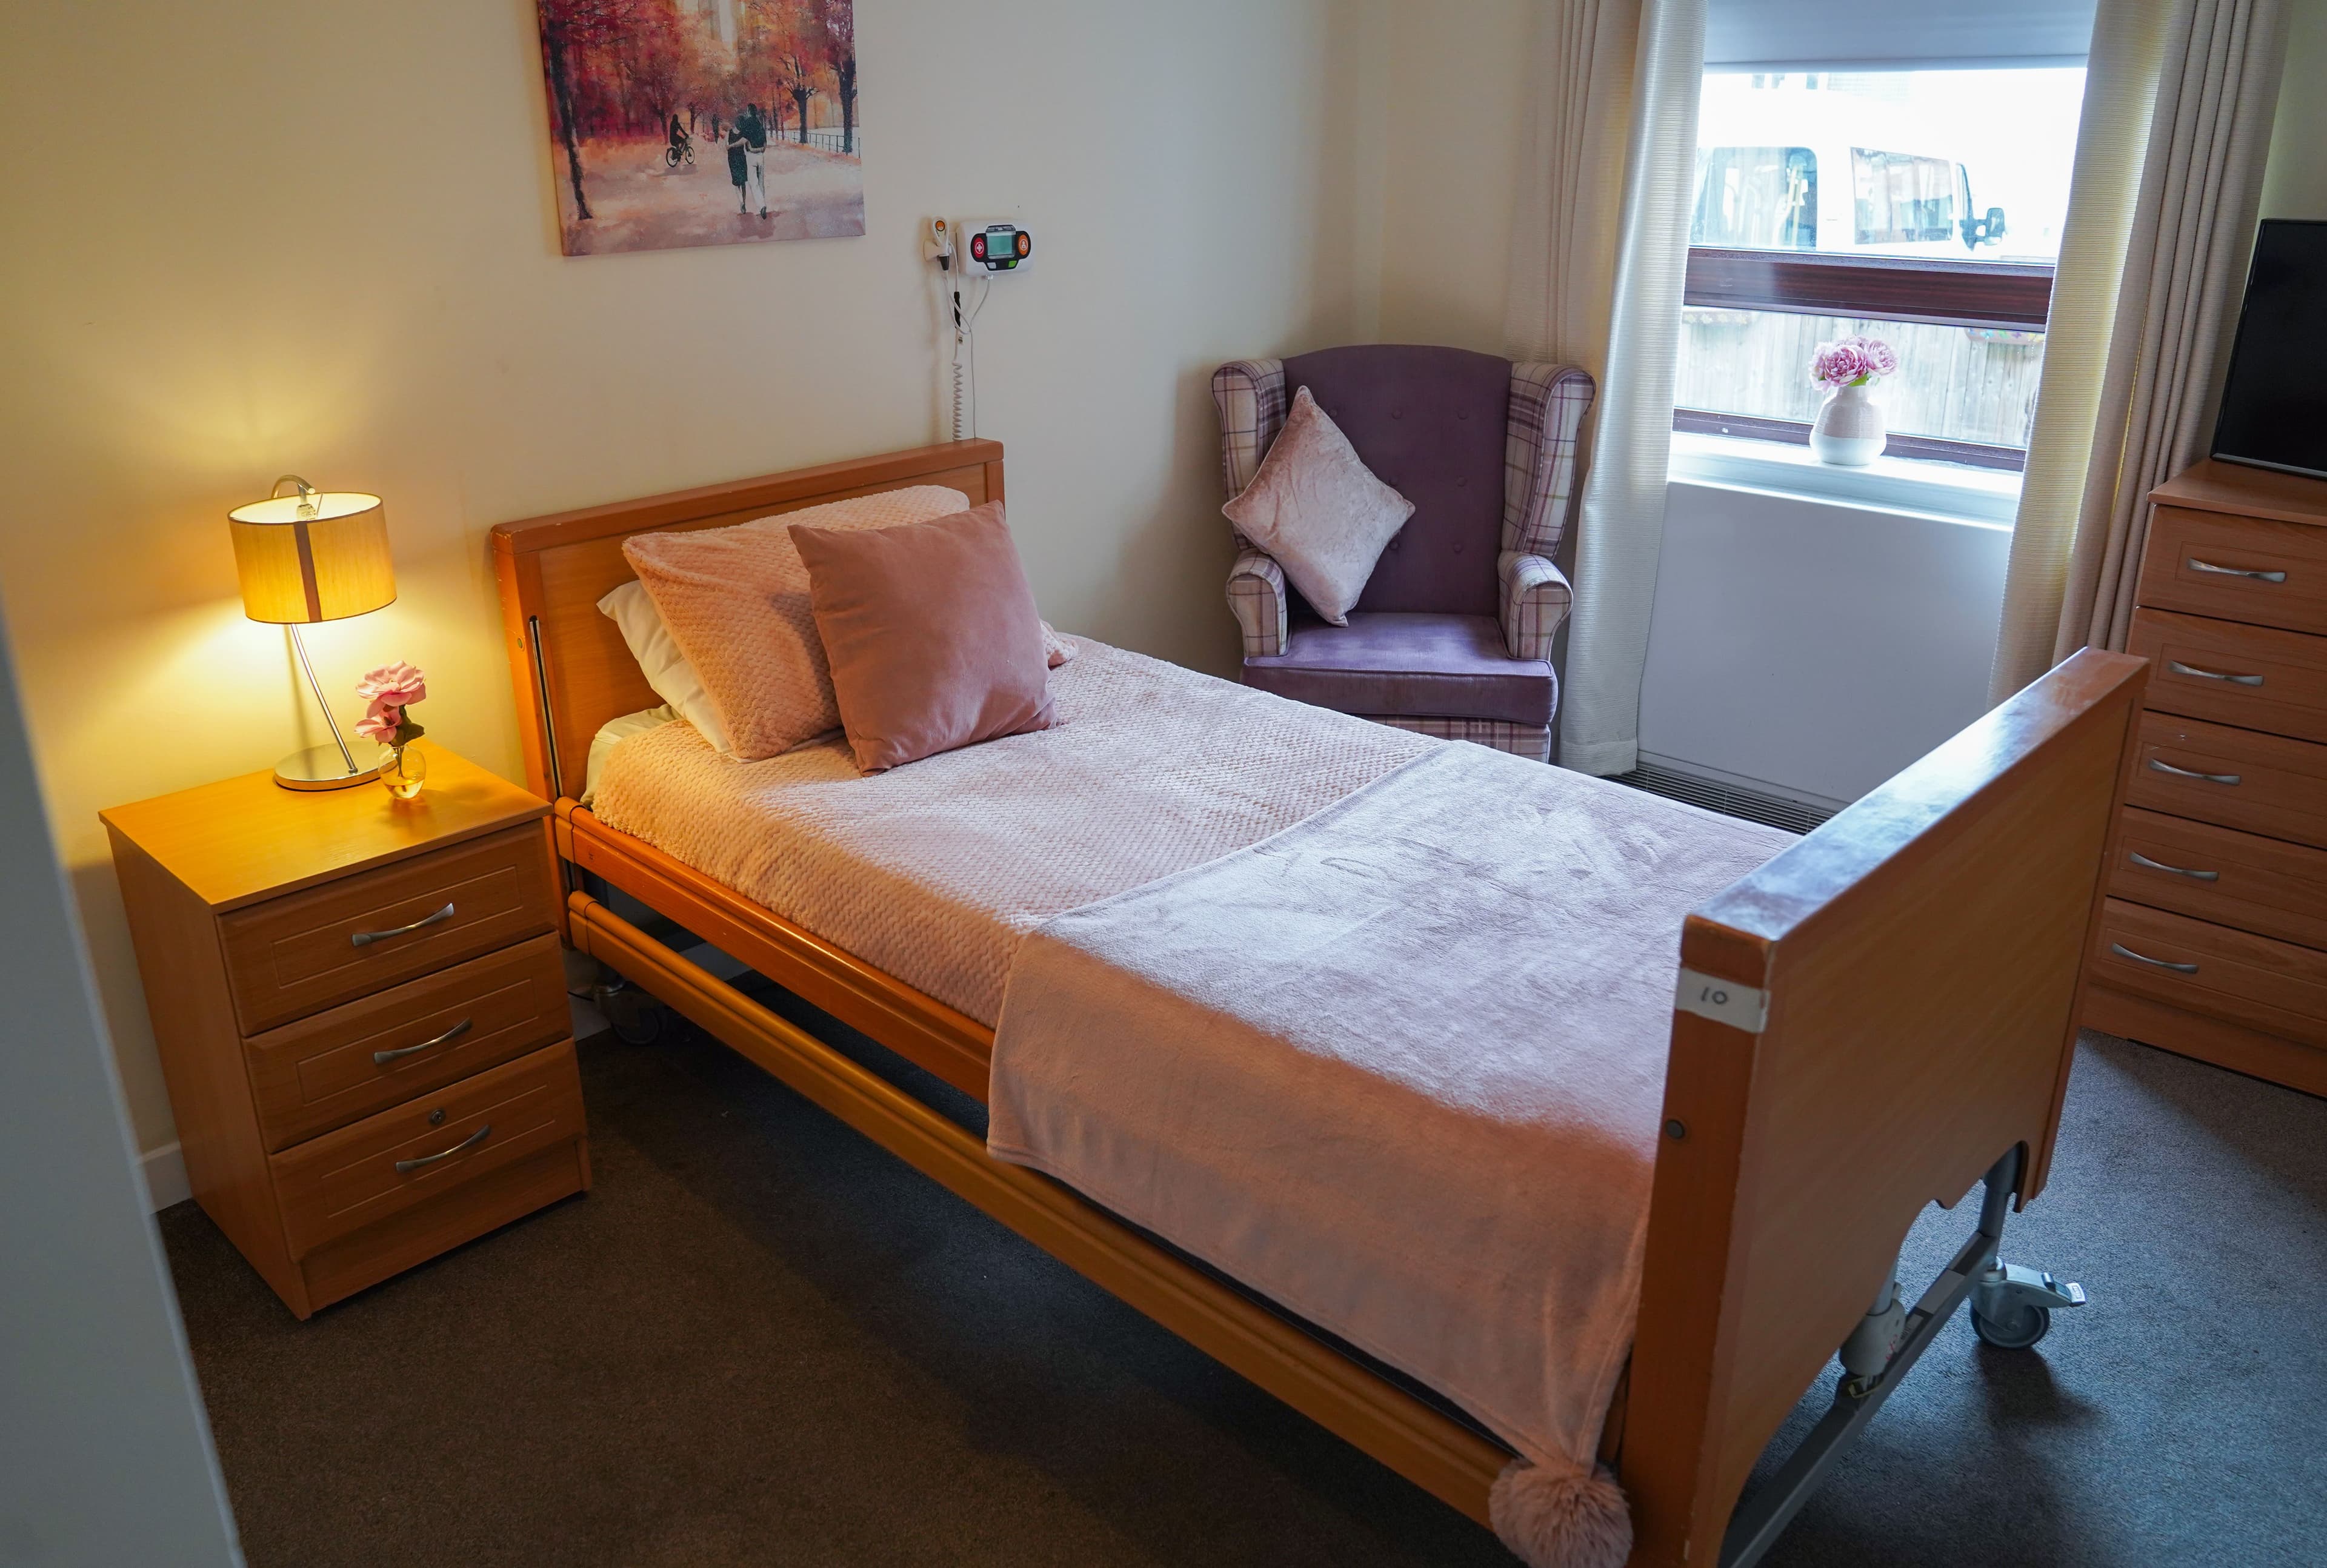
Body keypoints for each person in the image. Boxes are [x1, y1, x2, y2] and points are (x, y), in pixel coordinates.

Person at [740, 103, 769, 219]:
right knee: (761, 182)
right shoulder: (759, 124)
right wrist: (761, 149)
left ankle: (762, 205)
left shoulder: (746, 124)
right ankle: (763, 203)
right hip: (761, 155)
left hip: (751, 155)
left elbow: (744, 139)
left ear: (748, 111)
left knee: (753, 183)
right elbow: (765, 143)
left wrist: (750, 148)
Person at [725, 116, 749, 213]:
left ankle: (741, 203)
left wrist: (731, 145)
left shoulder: (729, 133)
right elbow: (746, 144)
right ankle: (744, 204)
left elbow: (726, 147)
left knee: (736, 184)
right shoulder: (744, 133)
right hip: (742, 159)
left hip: (732, 159)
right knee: (743, 183)